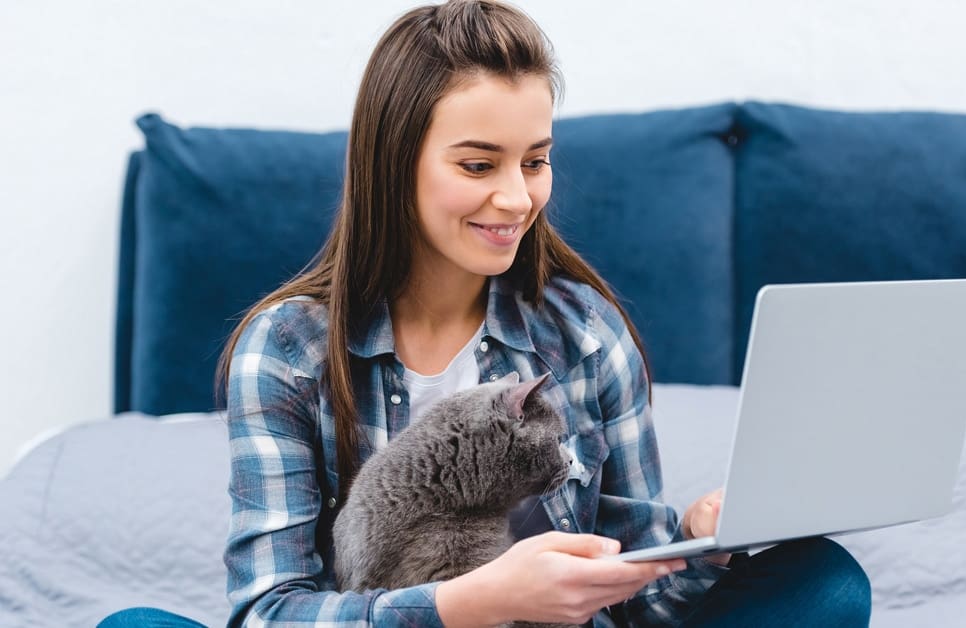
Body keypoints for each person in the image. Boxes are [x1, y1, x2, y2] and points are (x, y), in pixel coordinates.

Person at [100, 1, 870, 626]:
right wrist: (471, 603)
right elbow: (269, 612)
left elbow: (642, 606)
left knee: (824, 582)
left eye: (535, 160)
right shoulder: (287, 351)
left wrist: (704, 546)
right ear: (394, 163)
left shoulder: (585, 335)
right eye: (478, 164)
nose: (516, 197)